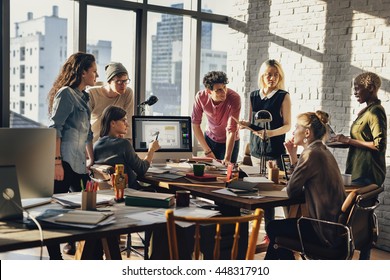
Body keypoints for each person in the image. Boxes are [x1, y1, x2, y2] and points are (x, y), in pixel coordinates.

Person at [265, 111, 346, 259]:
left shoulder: (310, 154)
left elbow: (291, 191)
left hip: (322, 230)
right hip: (334, 228)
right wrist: (292, 156)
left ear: (307, 133)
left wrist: (294, 159)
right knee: (279, 236)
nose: (293, 131)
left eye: (296, 127)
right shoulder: (322, 150)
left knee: (273, 227)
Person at [47, 52, 98, 259]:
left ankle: (85, 254)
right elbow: (55, 129)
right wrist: (56, 162)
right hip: (64, 161)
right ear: (82, 72)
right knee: (52, 212)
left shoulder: (85, 97)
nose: (95, 75)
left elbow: (88, 134)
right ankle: (55, 258)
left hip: (79, 162)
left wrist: (91, 159)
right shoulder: (66, 94)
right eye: (93, 71)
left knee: (88, 208)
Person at [333, 72, 387, 260]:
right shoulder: (366, 111)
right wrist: (342, 141)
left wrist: (348, 140)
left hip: (368, 173)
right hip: (357, 171)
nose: (355, 92)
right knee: (355, 221)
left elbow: (379, 145)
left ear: (370, 88)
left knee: (361, 222)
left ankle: (363, 260)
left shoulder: (376, 112)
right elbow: (361, 140)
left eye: (358, 87)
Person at [238, 59, 291, 243]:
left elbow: (287, 126)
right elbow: (254, 123)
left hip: (274, 149)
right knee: (258, 191)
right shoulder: (253, 95)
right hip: (255, 149)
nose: (272, 78)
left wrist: (270, 133)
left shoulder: (283, 96)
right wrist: (247, 126)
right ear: (262, 75)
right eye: (269, 74)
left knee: (270, 194)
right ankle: (258, 231)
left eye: (276, 74)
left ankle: (271, 233)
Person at [93, 105, 160, 190]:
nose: (127, 125)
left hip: (111, 194)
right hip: (130, 193)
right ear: (113, 123)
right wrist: (152, 150)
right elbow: (142, 169)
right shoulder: (123, 144)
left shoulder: (96, 145)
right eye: (123, 121)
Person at [191, 71, 241, 164]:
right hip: (210, 139)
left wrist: (227, 158)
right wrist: (207, 151)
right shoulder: (200, 97)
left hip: (230, 141)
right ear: (209, 91)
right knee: (209, 171)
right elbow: (195, 125)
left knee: (228, 173)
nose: (224, 92)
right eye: (219, 90)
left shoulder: (234, 98)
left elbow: (231, 130)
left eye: (224, 87)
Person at [87, 62, 134, 143]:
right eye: (119, 82)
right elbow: (85, 123)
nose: (123, 85)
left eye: (125, 81)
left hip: (116, 143)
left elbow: (128, 120)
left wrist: (128, 144)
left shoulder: (127, 93)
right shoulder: (92, 93)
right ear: (109, 81)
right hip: (95, 143)